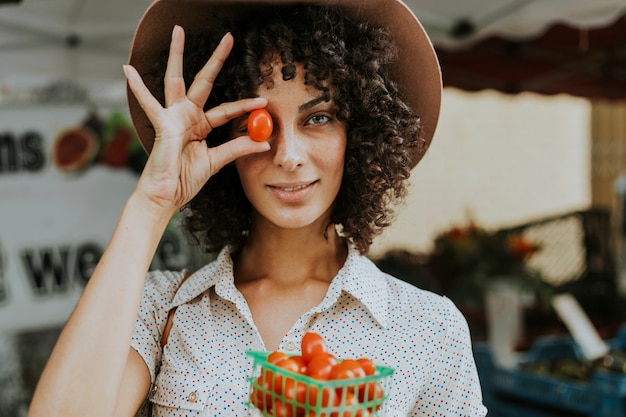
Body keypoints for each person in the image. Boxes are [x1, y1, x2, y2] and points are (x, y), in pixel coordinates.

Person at [28, 0, 487, 416]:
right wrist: (153, 203)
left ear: (360, 134)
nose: (288, 155)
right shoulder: (161, 309)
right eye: (257, 121)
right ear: (224, 135)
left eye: (319, 118)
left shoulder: (429, 329)